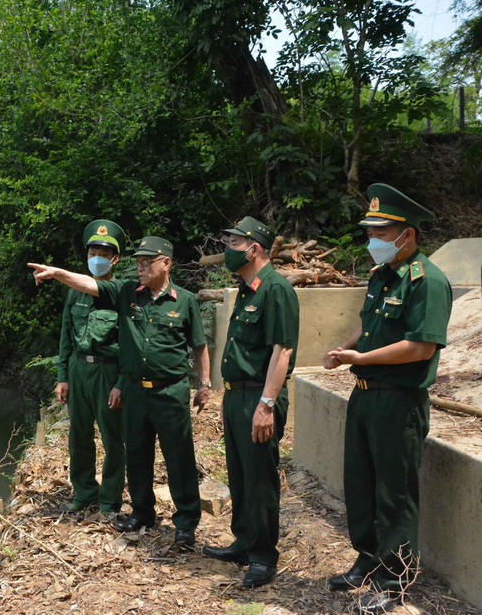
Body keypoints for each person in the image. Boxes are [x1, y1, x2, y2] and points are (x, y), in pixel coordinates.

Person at [30, 236, 211, 548]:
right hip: (136, 391)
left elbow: (199, 345)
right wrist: (58, 273)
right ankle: (142, 513)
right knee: (138, 455)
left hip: (171, 392)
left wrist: (205, 384)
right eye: (138, 262)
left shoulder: (184, 301)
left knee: (179, 458)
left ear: (165, 263)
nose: (139, 267)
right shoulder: (127, 293)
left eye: (147, 262)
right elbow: (89, 285)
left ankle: (185, 523)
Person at [322, 183, 452, 615]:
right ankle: (367, 559)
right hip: (363, 396)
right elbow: (370, 326)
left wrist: (363, 356)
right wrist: (346, 351)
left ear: (407, 234)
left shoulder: (427, 281)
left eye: (381, 233)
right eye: (371, 232)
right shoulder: (382, 276)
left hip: (398, 403)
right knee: (360, 485)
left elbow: (420, 347)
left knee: (394, 493)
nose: (373, 241)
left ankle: (395, 580)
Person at [200, 217, 300, 589]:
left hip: (259, 394)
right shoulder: (247, 288)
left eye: (233, 242)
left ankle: (262, 556)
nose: (227, 247)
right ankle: (243, 542)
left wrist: (266, 404)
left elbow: (283, 350)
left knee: (260, 477)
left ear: (254, 248)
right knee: (240, 472)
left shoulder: (276, 290)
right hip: (237, 394)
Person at [54, 219, 126, 515]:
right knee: (79, 434)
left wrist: (121, 382)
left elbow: (131, 344)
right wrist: (62, 376)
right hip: (78, 370)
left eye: (103, 253)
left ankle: (109, 499)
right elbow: (65, 336)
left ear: (115, 259)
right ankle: (84, 492)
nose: (96, 258)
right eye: (92, 252)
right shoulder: (75, 291)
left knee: (112, 438)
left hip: (107, 372)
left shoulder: (122, 293)